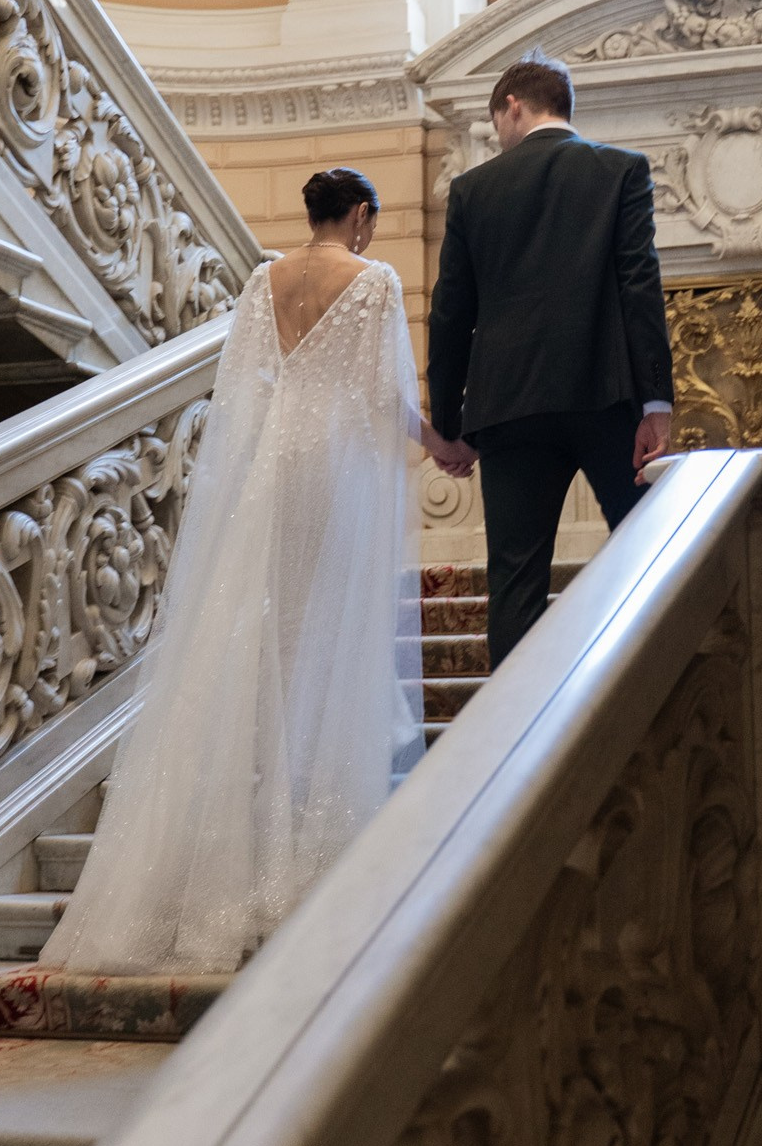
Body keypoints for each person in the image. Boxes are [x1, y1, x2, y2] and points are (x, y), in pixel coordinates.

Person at [41, 168, 465, 977]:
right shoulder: (373, 280)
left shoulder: (261, 281)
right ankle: (303, 840)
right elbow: (383, 397)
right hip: (334, 468)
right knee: (329, 638)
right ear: (361, 215)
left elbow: (241, 394)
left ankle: (250, 828)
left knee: (272, 633)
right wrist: (440, 442)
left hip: (274, 468)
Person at [427, 53, 675, 669]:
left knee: (515, 581)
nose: (498, 135)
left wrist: (451, 427)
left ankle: (517, 723)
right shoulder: (621, 170)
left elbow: (451, 314)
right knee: (646, 551)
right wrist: (656, 404)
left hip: (508, 410)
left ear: (512, 106)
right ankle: (640, 692)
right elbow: (640, 287)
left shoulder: (472, 191)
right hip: (605, 399)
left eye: (496, 121)